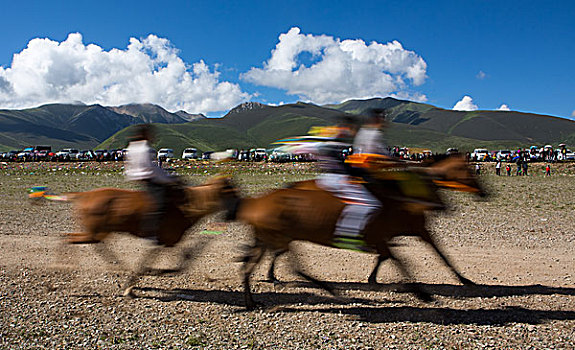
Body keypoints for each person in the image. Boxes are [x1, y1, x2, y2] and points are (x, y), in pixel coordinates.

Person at [316, 109, 388, 251]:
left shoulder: (333, 138)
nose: (354, 131)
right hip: (335, 177)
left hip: (332, 175)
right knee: (369, 204)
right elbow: (343, 164)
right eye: (353, 128)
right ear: (348, 127)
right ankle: (348, 236)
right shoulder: (337, 141)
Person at [125, 124, 178, 242]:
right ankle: (151, 231)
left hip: (135, 176)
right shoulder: (145, 148)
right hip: (147, 177)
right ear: (146, 135)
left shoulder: (132, 146)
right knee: (160, 203)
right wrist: (168, 179)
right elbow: (152, 168)